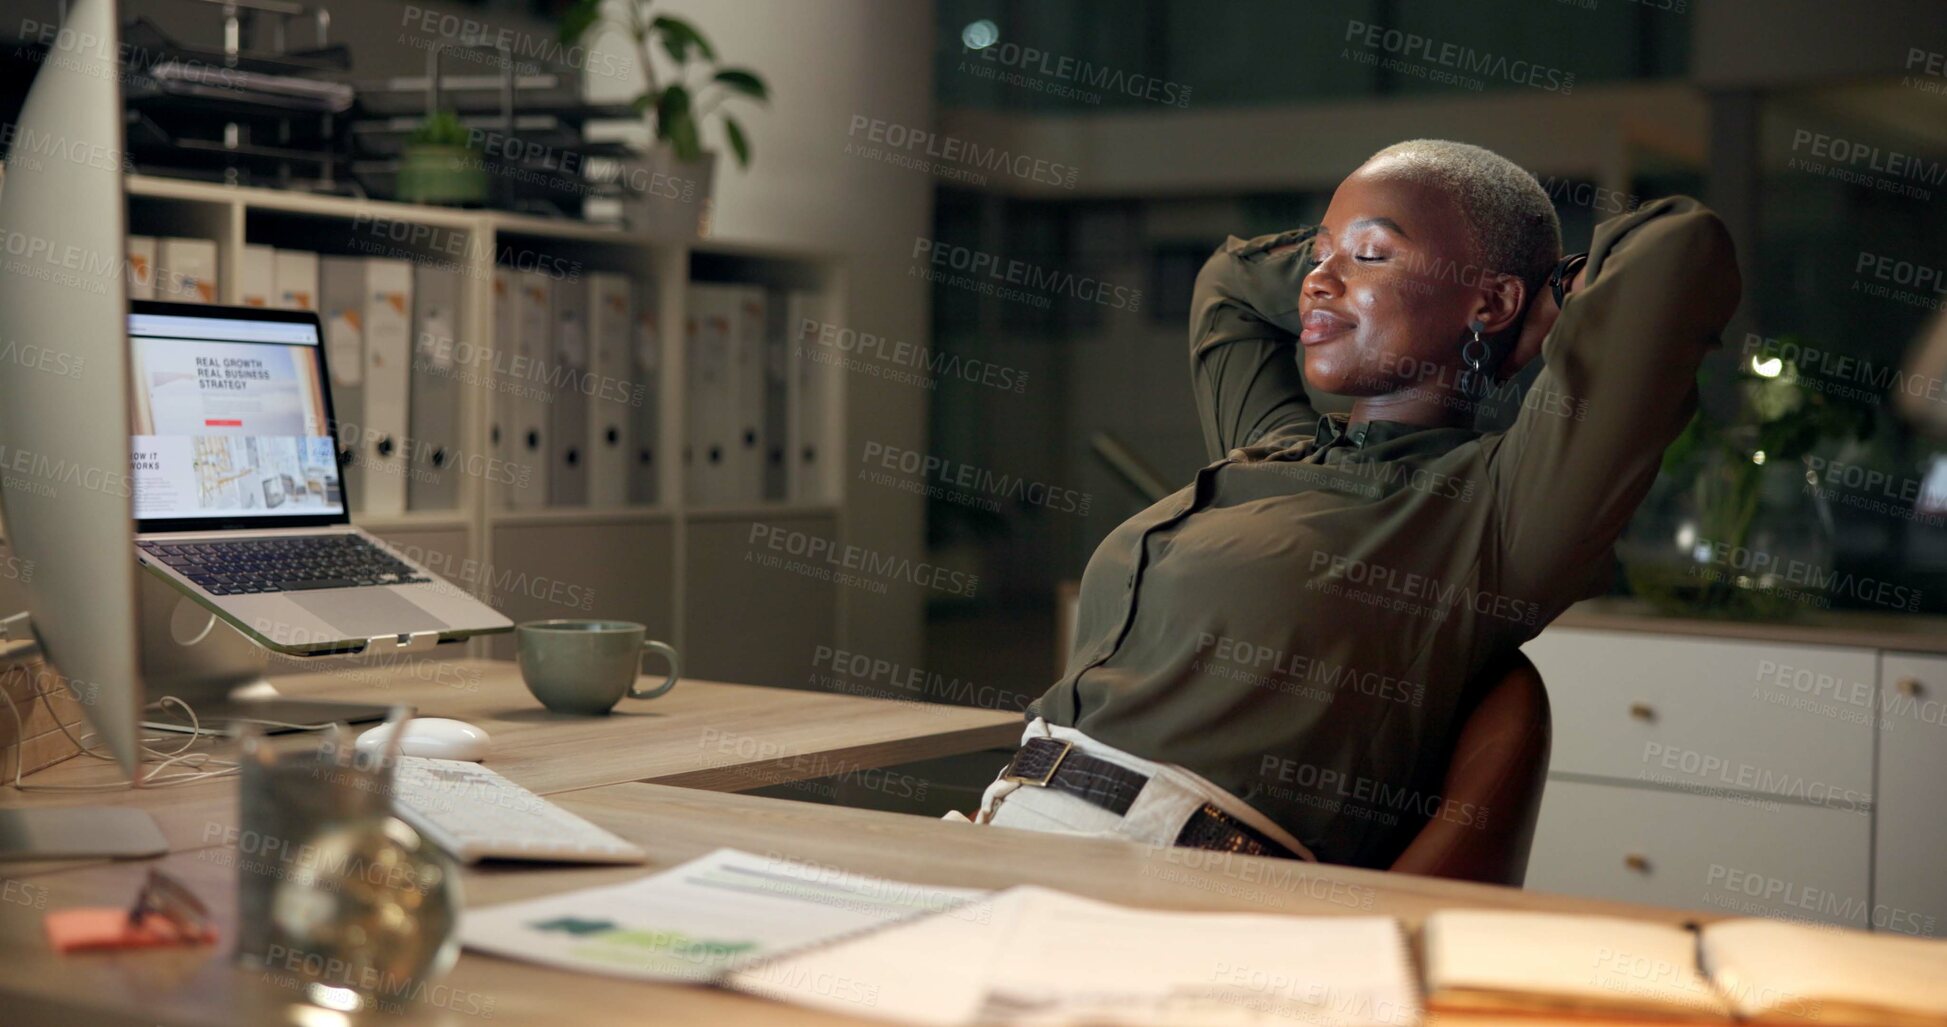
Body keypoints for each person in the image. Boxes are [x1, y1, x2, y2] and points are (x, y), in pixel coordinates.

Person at [968, 139, 1742, 869]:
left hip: (1171, 875)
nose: (1316, 279)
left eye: (1370, 253)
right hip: (1004, 825)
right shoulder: (1272, 446)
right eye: (1316, 256)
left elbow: (1679, 248)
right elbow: (1230, 286)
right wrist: (1359, 265)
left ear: (1494, 300)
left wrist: (1534, 295)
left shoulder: (1497, 514)